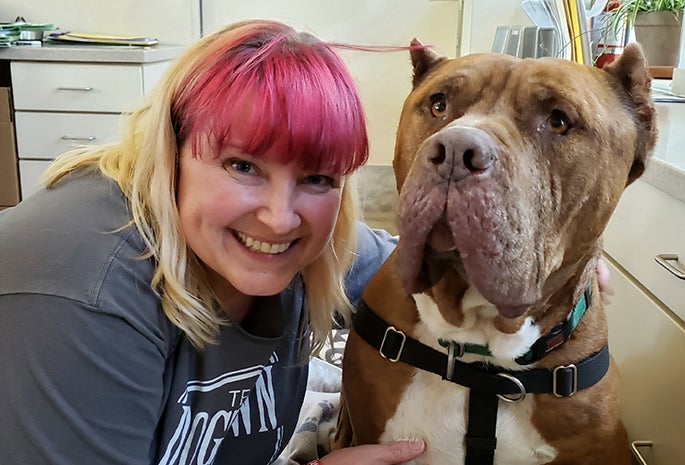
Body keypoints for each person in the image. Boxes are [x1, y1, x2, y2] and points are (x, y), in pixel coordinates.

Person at [0, 20, 425, 465]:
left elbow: (421, 271)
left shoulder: (317, 243)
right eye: (242, 166)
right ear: (173, 148)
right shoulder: (81, 290)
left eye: (316, 177)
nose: (279, 220)